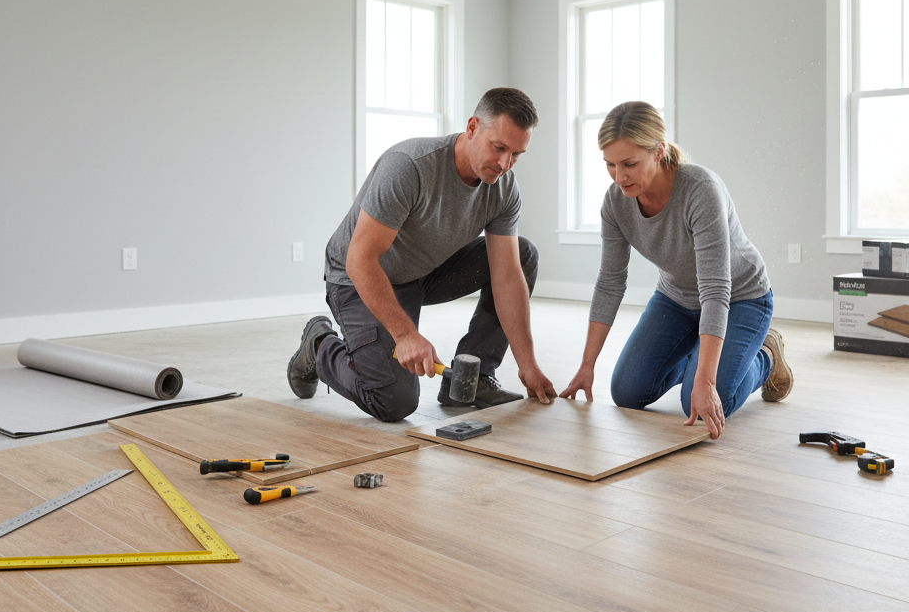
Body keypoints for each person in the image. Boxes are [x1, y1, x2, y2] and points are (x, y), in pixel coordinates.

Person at [287, 87, 556, 421]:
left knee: (522, 254)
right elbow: (360, 259)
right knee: (393, 401)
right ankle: (319, 345)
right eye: (498, 147)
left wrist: (527, 363)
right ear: (472, 128)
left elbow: (506, 276)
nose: (504, 163)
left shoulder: (503, 189)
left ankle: (472, 379)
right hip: (358, 277)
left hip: (423, 273)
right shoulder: (409, 167)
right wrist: (405, 335)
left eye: (516, 154)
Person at [560, 100, 792, 439]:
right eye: (609, 164)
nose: (619, 176)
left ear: (659, 151)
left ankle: (766, 356)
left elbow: (715, 290)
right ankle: (706, 357)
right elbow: (610, 284)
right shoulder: (615, 202)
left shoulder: (701, 191)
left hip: (741, 298)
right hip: (677, 299)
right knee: (627, 393)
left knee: (705, 404)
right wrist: (586, 366)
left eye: (629, 163)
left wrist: (707, 381)